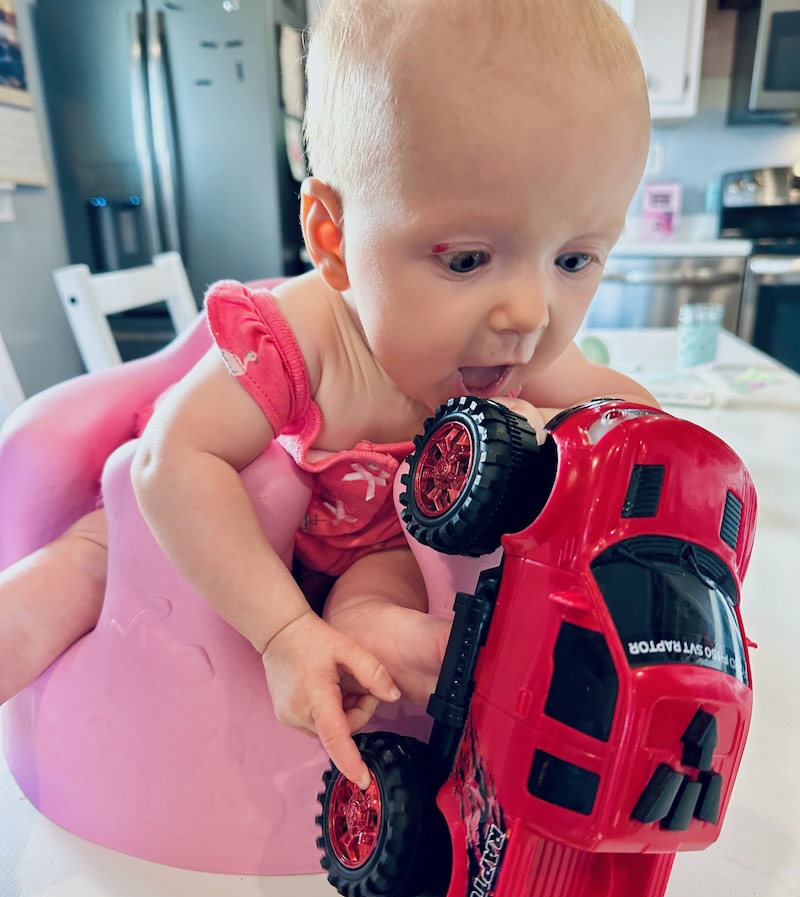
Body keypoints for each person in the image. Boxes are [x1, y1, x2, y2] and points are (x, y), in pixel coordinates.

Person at [0, 0, 656, 789]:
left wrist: (666, 481)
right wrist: (280, 631)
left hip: (357, 562)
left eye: (576, 261)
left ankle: (490, 687)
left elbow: (632, 423)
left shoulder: (512, 347)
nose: (530, 313)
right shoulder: (297, 340)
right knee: (72, 575)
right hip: (178, 532)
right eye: (466, 259)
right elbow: (168, 461)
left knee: (377, 622)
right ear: (334, 239)